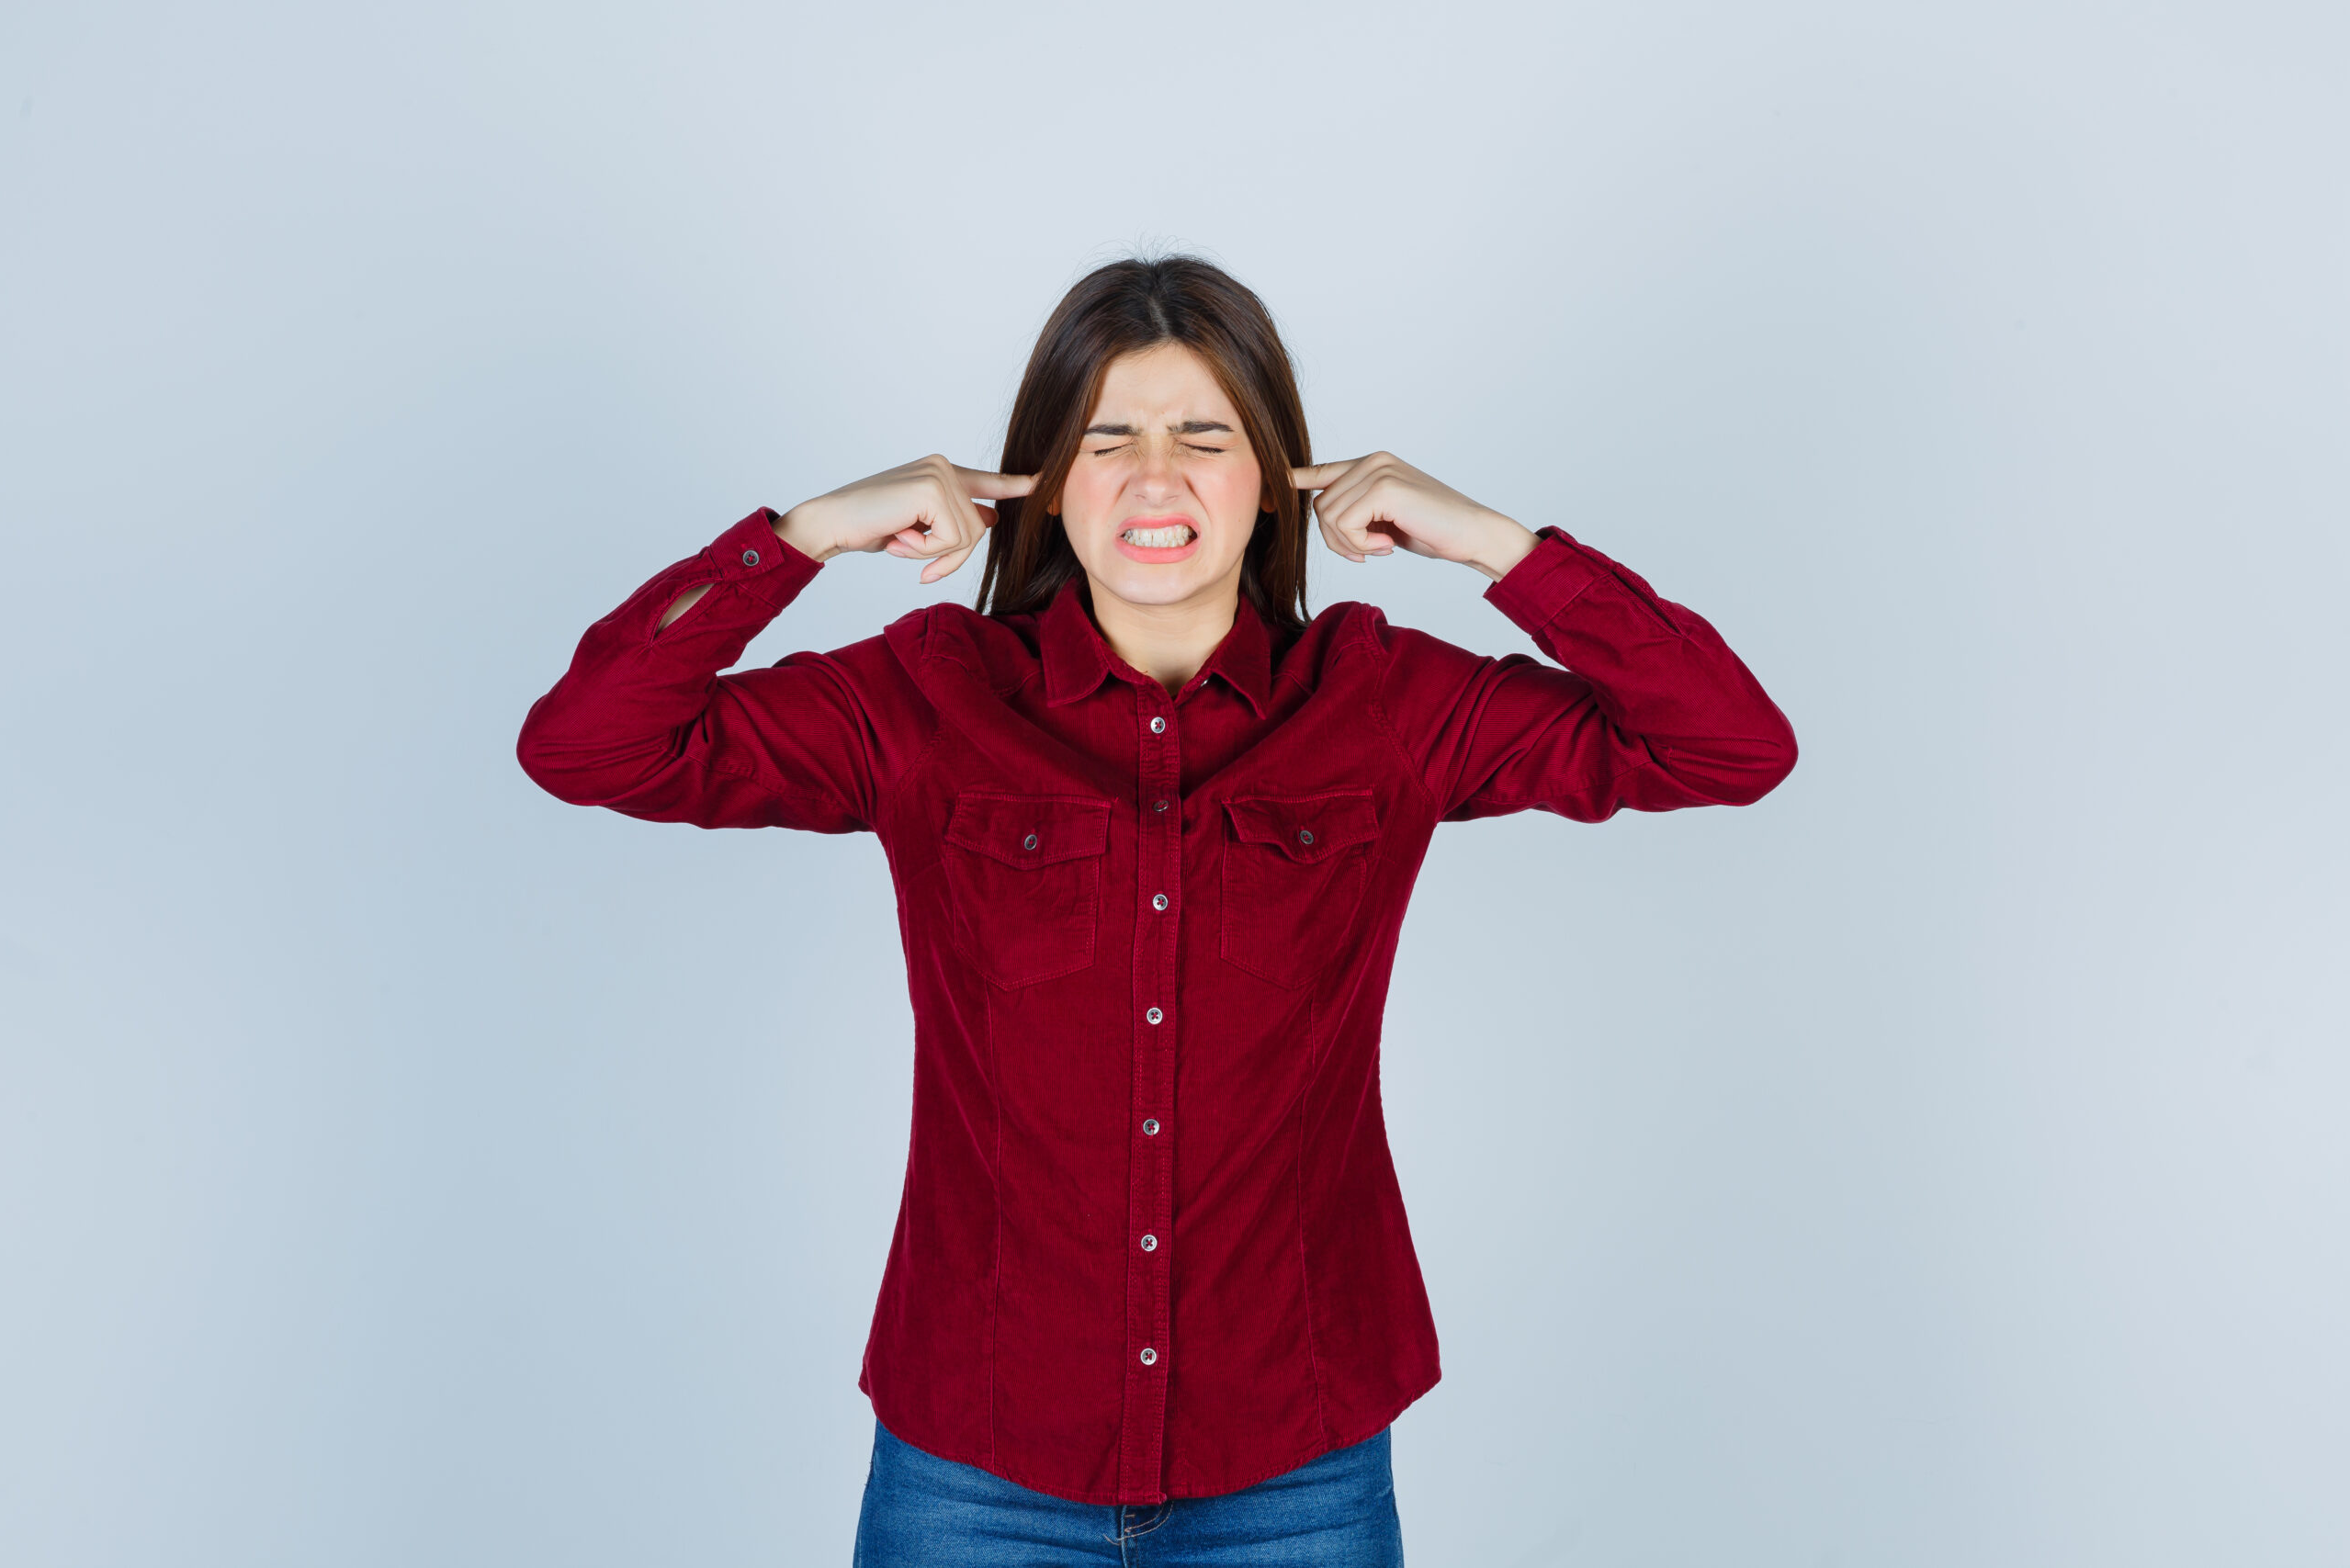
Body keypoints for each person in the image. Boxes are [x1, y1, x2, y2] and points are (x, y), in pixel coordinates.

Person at [515, 255, 1797, 1565]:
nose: (1152, 478)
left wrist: (1496, 546)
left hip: (1296, 1461)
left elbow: (1729, 747)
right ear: (1041, 479)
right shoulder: (925, 698)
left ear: (1283, 475)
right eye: (1105, 436)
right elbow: (589, 747)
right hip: (977, 1464)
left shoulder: (1388, 704)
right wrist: (799, 537)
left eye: (1205, 435)